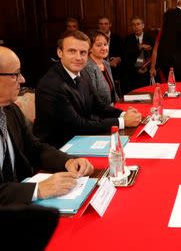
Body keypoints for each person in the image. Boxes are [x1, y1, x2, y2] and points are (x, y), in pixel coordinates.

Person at [0, 46, 93, 205]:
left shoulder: (10, 110)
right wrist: (38, 189)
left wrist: (68, 161)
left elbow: (35, 148)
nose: (22, 80)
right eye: (16, 74)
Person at [34, 31, 141, 148]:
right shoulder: (51, 84)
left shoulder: (82, 73)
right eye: (72, 51)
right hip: (59, 148)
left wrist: (123, 114)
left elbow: (98, 106)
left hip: (81, 138)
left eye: (83, 52)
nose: (78, 57)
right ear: (60, 52)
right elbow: (78, 125)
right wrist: (122, 122)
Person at [84, 30, 119, 107]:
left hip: (112, 108)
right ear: (90, 48)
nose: (104, 48)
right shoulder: (87, 67)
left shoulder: (106, 64)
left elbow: (113, 92)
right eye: (99, 45)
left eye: (105, 44)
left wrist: (120, 106)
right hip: (100, 114)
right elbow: (94, 99)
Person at [122, 16, 155, 93]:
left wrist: (149, 68)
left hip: (148, 72)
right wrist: (140, 47)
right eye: (133, 25)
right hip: (133, 73)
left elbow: (156, 55)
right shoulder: (128, 39)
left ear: (143, 25)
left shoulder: (150, 38)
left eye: (138, 24)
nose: (136, 27)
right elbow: (126, 58)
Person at [98, 16, 123, 88]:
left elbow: (123, 54)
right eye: (101, 24)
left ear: (110, 25)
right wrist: (108, 64)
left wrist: (118, 59)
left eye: (106, 24)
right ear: (98, 25)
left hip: (115, 70)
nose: (103, 26)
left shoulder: (117, 38)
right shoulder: (94, 39)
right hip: (99, 69)